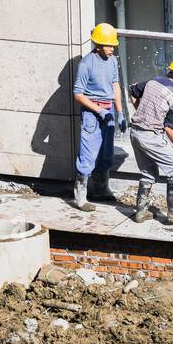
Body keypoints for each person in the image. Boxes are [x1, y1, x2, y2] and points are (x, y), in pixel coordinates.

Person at [128, 56, 173, 225]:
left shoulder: (154, 81)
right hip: (150, 136)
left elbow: (133, 90)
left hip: (135, 133)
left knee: (148, 172)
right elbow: (169, 127)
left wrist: (141, 112)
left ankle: (141, 212)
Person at [70, 23, 126, 212]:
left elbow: (116, 85)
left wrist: (119, 112)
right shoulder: (86, 63)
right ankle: (80, 196)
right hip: (92, 114)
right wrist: (98, 110)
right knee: (88, 153)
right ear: (98, 45)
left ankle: (101, 189)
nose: (112, 49)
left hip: (108, 110)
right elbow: (78, 94)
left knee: (106, 152)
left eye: (113, 45)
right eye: (109, 45)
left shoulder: (112, 61)